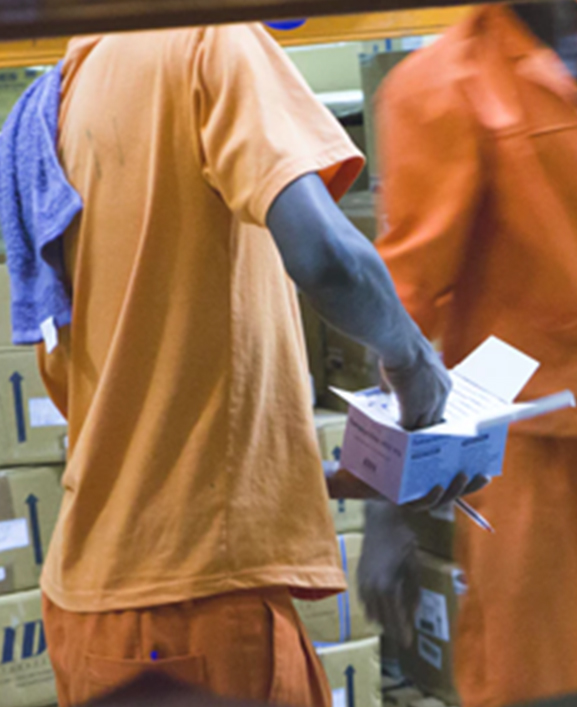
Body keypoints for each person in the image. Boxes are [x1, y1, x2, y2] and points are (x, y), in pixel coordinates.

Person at [1, 23, 485, 707]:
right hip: (195, 610)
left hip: (101, 603)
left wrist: (318, 480)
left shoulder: (68, 89)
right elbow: (325, 257)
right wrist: (411, 358)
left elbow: (142, 395)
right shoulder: (208, 37)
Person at [358, 2, 577, 704]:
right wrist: (384, 506)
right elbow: (402, 308)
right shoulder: (439, 87)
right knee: (525, 689)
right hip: (529, 456)